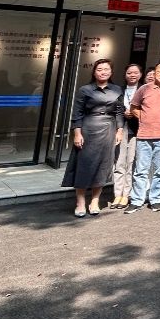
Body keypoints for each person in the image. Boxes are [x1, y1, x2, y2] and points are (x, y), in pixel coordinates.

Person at [62, 58, 124, 217]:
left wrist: (119, 130)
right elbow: (77, 113)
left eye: (106, 69)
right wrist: (77, 133)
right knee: (83, 165)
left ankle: (95, 201)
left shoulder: (117, 89)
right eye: (99, 69)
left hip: (108, 130)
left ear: (111, 72)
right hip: (88, 128)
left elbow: (119, 112)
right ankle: (80, 202)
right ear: (94, 72)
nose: (103, 72)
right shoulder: (85, 90)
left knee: (103, 166)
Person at [127, 62, 160, 213]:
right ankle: (137, 200)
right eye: (159, 71)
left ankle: (156, 199)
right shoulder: (144, 88)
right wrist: (143, 118)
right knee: (140, 170)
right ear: (155, 73)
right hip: (144, 135)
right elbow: (134, 107)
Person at [111, 63, 143, 210]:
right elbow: (114, 108)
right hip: (120, 129)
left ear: (140, 75)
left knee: (131, 163)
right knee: (119, 162)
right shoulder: (119, 90)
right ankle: (118, 194)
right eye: (129, 72)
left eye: (135, 72)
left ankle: (127, 194)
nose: (132, 75)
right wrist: (123, 113)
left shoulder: (143, 90)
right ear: (125, 75)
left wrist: (135, 113)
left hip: (137, 130)